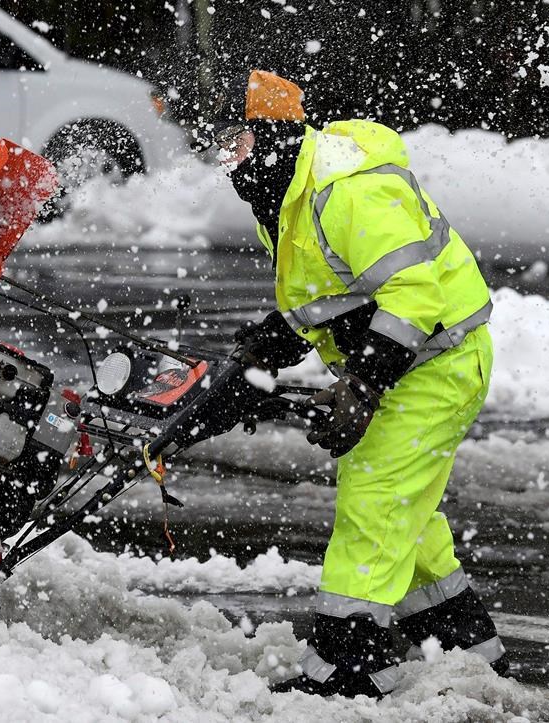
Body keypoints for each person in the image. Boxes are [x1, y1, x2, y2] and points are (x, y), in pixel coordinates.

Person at [212, 70, 507, 698]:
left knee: (374, 500)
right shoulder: (285, 197)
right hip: (412, 359)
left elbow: (414, 292)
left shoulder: (345, 192)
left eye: (235, 141)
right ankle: (470, 654)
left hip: (440, 360)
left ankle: (352, 670)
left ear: (268, 138)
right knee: (407, 514)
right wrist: (260, 353)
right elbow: (324, 298)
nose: (225, 158)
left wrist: (363, 384)